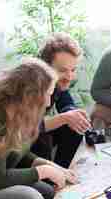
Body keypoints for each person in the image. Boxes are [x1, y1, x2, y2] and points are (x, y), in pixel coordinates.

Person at [0, 58, 78, 199]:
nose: (47, 103)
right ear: (29, 95)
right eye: (47, 95)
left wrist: (54, 167)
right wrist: (45, 171)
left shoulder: (14, 111)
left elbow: (17, 153)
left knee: (47, 191)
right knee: (30, 196)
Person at [31, 33, 92, 168]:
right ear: (44, 67)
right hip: (21, 144)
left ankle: (63, 172)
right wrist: (64, 117)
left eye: (73, 69)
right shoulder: (31, 85)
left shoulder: (57, 82)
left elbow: (66, 104)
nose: (70, 77)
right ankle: (50, 178)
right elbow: (28, 128)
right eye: (63, 70)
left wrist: (74, 114)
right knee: (42, 140)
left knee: (74, 126)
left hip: (35, 133)